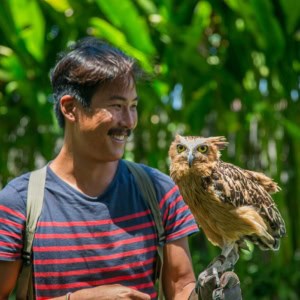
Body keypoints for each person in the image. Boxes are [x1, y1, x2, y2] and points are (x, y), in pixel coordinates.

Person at [0, 37, 241, 300]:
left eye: (133, 106)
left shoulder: (160, 192)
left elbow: (181, 287)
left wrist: (203, 296)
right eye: (116, 106)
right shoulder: (20, 203)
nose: (129, 122)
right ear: (70, 108)